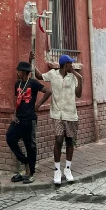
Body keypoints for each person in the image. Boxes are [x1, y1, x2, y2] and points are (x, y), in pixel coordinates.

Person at [31, 52, 83, 185]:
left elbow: (78, 94)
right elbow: (38, 76)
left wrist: (79, 78)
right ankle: (57, 170)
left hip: (70, 113)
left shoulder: (73, 77)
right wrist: (32, 61)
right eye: (70, 63)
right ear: (65, 65)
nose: (72, 65)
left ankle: (67, 169)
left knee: (69, 140)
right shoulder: (53, 74)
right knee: (59, 139)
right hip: (57, 114)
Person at [6, 60, 51, 184]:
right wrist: (14, 114)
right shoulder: (17, 84)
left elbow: (48, 91)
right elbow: (17, 100)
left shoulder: (33, 83)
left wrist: (38, 105)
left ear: (24, 72)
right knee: (10, 138)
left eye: (19, 71)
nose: (17, 73)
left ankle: (31, 173)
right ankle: (25, 161)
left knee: (30, 146)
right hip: (18, 119)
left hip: (29, 119)